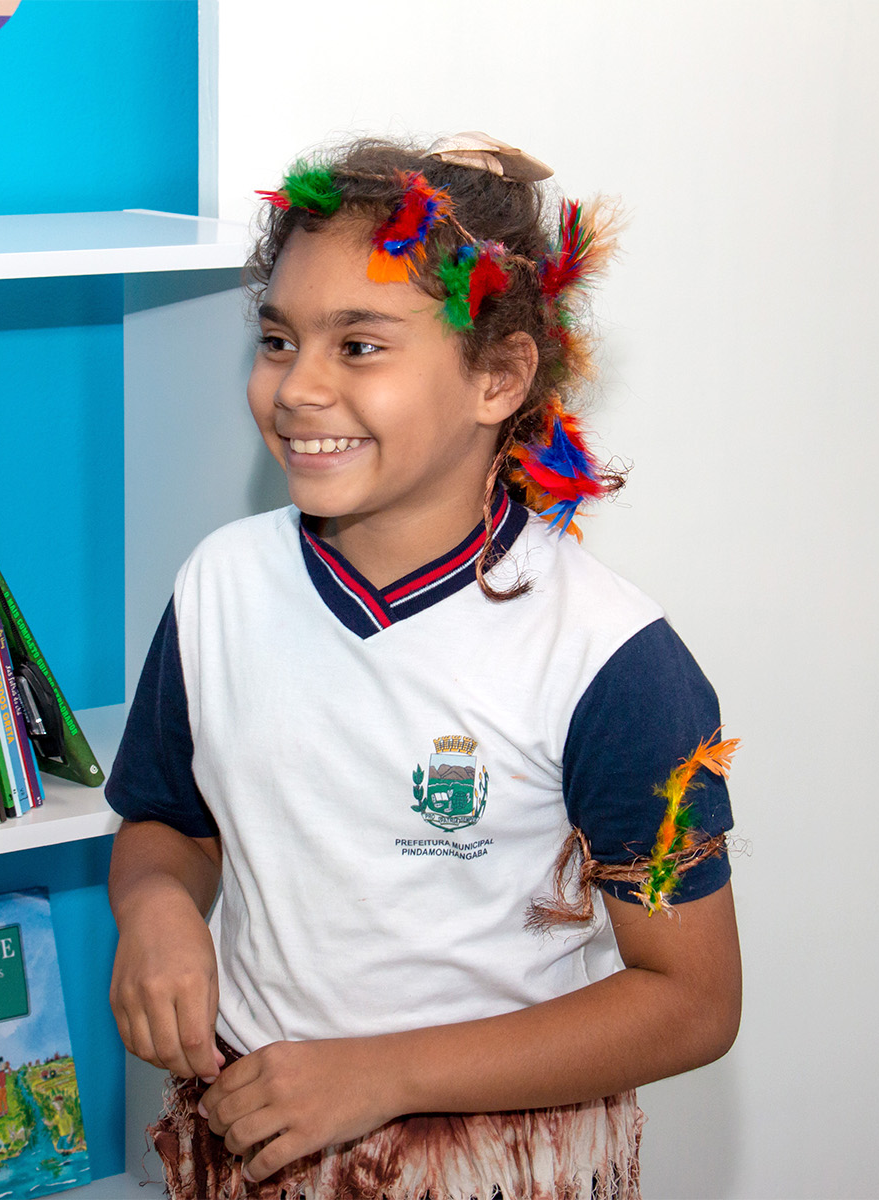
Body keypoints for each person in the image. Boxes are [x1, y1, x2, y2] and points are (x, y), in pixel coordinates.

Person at [104, 133, 741, 1200]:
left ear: (498, 377)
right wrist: (157, 907)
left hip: (501, 1163)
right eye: (277, 339)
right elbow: (168, 822)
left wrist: (384, 1075)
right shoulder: (220, 584)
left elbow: (694, 1000)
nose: (298, 388)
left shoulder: (614, 661)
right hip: (249, 1138)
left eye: (359, 346)